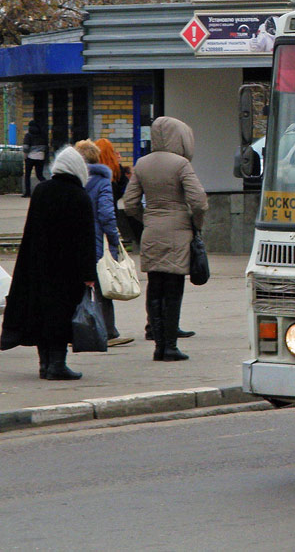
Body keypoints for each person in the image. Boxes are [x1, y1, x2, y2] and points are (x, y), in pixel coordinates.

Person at [0, 147, 97, 380]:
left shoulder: (42, 190)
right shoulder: (79, 195)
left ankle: (44, 364)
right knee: (62, 315)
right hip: (68, 269)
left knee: (42, 313)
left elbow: (30, 230)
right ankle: (57, 364)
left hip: (38, 265)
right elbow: (85, 239)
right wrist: (89, 274)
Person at [124, 117, 208, 362]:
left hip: (151, 230)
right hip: (178, 231)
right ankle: (170, 346)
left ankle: (158, 345)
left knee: (155, 286)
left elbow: (129, 204)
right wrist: (194, 223)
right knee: (173, 289)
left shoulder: (142, 164)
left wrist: (147, 218)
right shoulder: (181, 164)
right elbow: (199, 201)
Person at [76, 140, 132, 347]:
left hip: (72, 241)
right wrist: (115, 241)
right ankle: (108, 330)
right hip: (95, 240)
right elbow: (107, 214)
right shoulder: (102, 181)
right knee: (102, 286)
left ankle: (75, 328)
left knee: (75, 286)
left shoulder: (71, 180)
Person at [20, 120, 48, 197]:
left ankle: (27, 193)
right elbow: (45, 147)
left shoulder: (28, 135)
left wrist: (25, 155)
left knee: (27, 175)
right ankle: (48, 188)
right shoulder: (42, 135)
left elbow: (26, 147)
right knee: (40, 175)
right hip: (41, 157)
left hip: (30, 157)